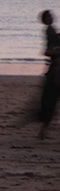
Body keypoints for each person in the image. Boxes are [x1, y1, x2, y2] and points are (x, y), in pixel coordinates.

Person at [38, 9, 60, 139]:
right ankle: (43, 130)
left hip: (54, 69)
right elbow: (48, 51)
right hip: (56, 70)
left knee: (51, 101)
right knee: (51, 101)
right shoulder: (49, 31)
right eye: (50, 16)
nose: (52, 17)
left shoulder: (51, 30)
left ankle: (43, 130)